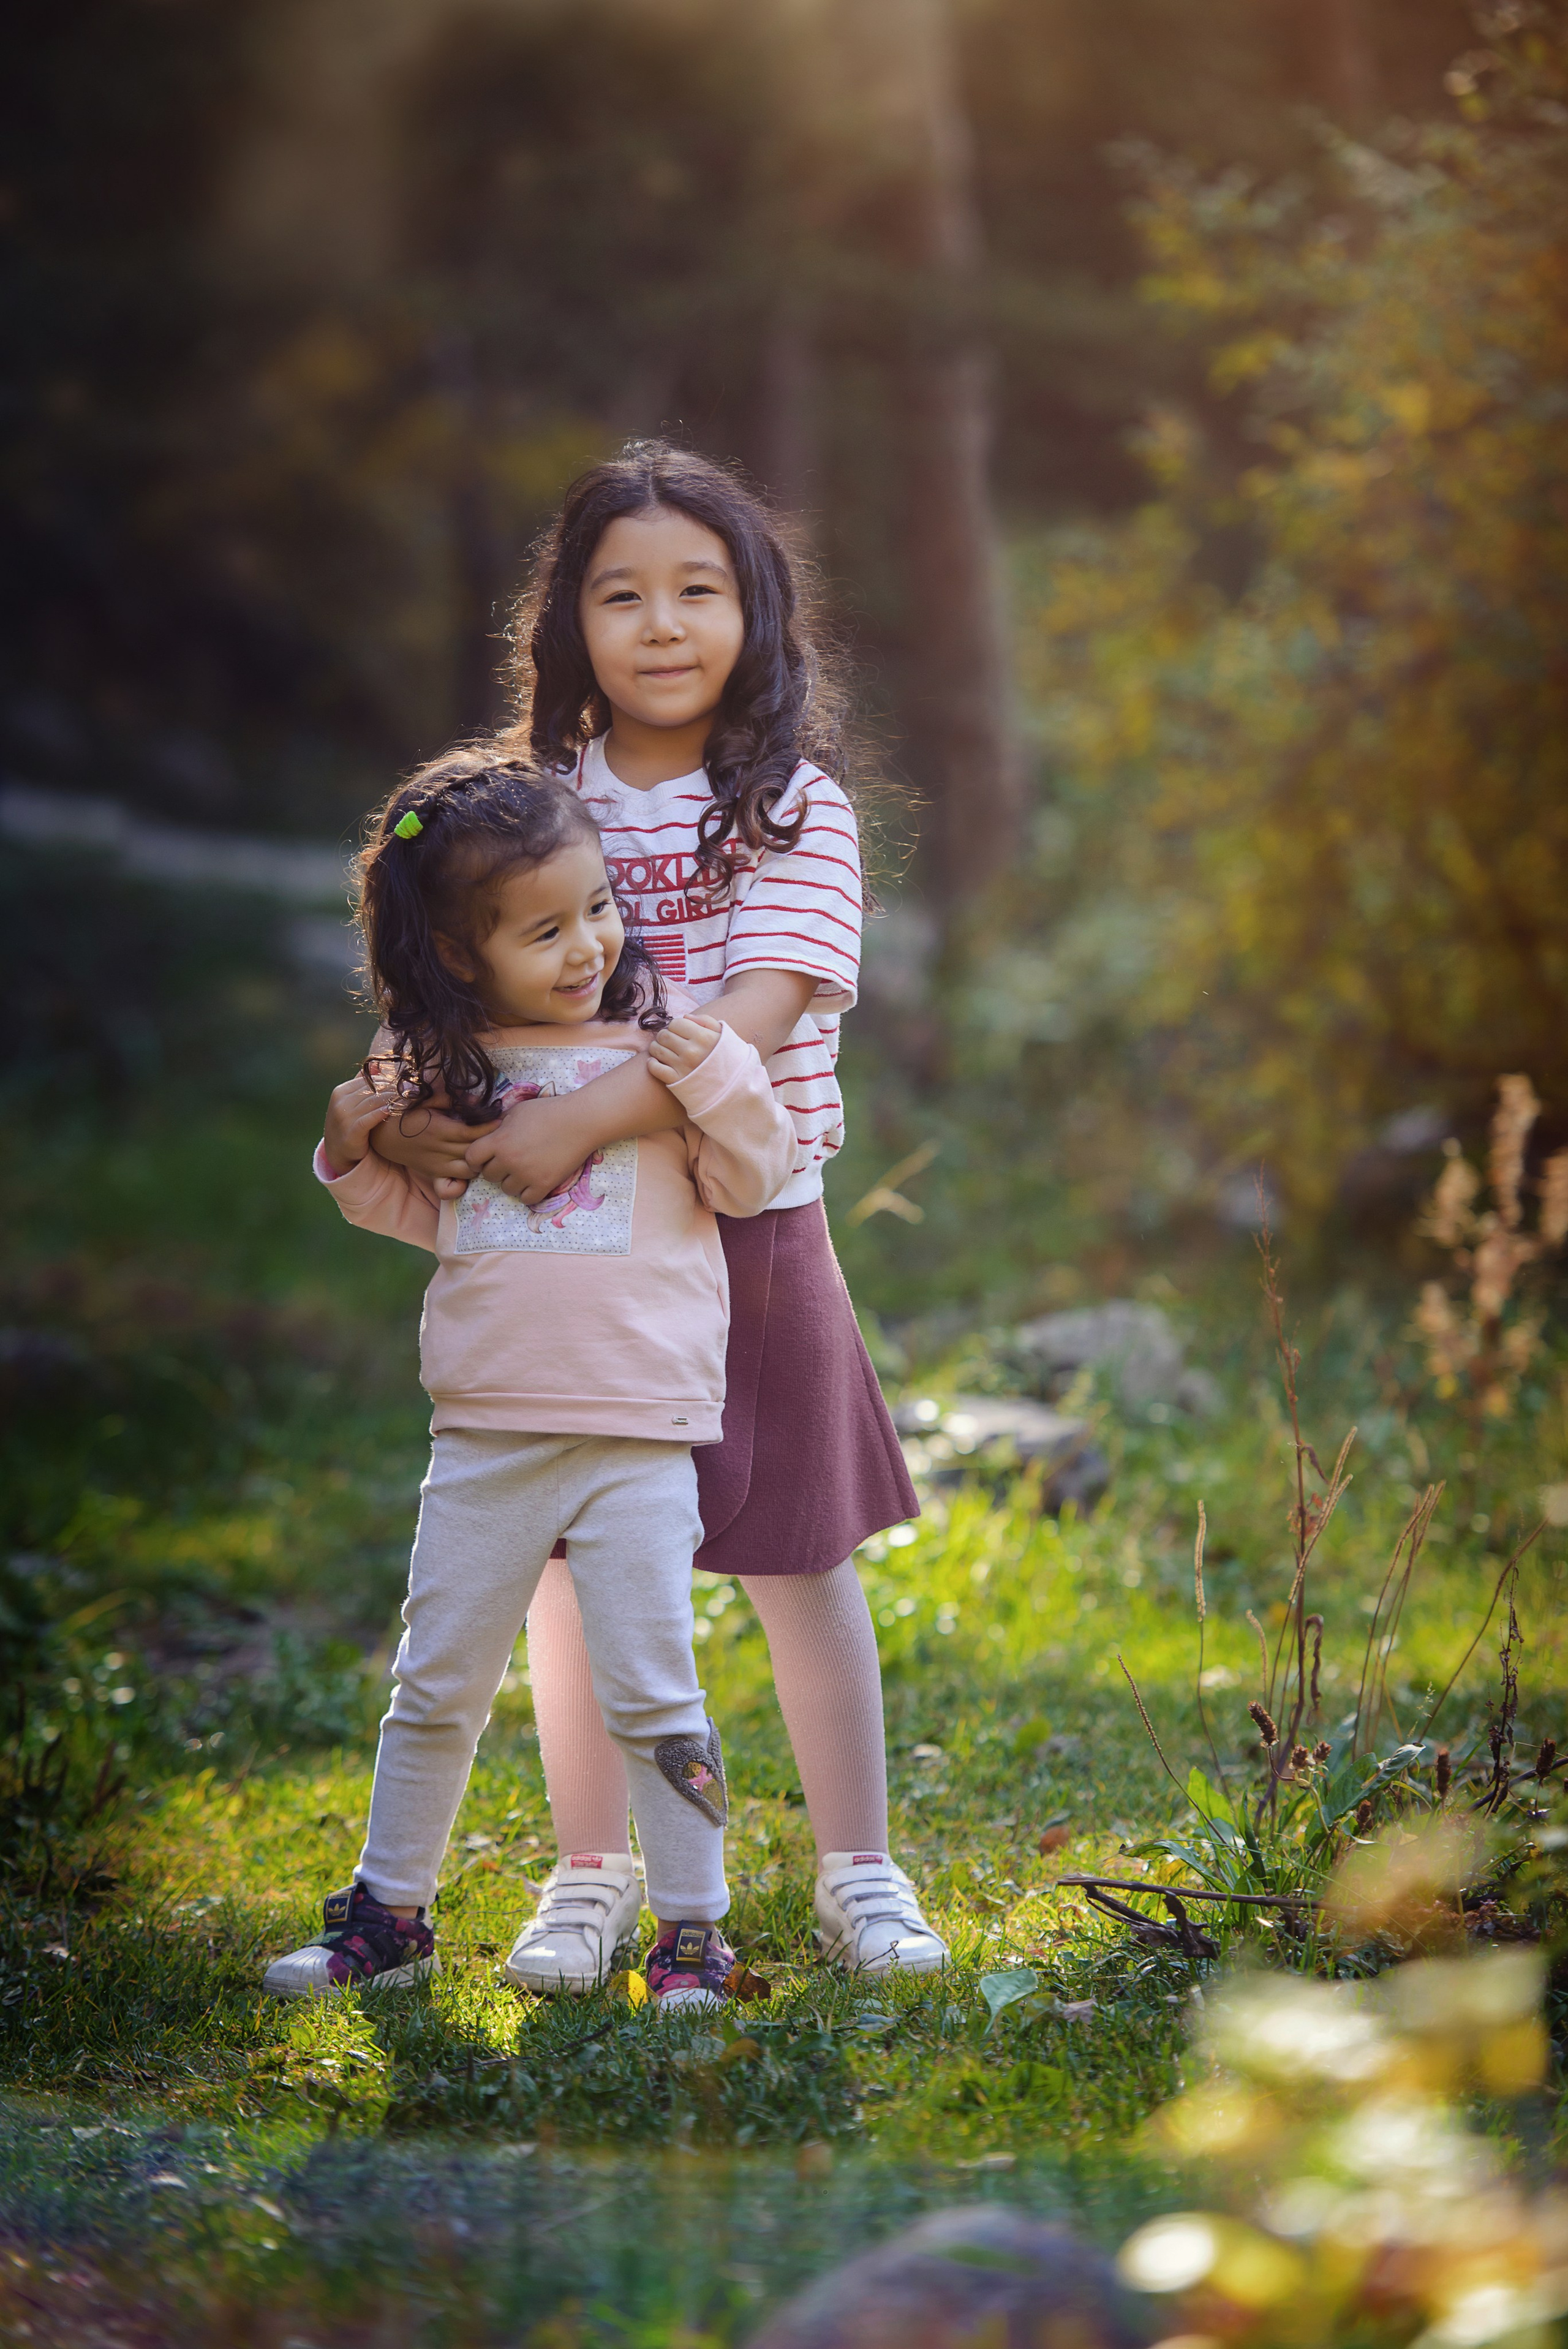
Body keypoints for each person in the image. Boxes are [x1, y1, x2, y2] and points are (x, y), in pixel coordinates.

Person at [371, 442, 949, 1988]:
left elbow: (754, 1011)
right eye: (620, 594)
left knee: (801, 1553)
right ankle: (589, 1873)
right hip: (580, 1249)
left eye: (698, 588)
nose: (662, 623)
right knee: (570, 1560)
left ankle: (859, 1872)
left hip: (749, 1223)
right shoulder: (529, 806)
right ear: (568, 625)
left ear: (755, 612)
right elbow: (437, 992)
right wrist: (425, 1114)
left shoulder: (792, 807)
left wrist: (567, 1120)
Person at [262, 761, 796, 2012]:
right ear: (457, 954)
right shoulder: (433, 1069)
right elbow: (393, 1204)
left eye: (599, 908)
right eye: (544, 929)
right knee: (435, 1677)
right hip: (486, 1437)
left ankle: (691, 1934)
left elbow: (756, 1174)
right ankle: (386, 1915)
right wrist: (355, 1128)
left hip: (638, 1438)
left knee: (652, 1691)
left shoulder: (660, 1057)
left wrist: (707, 1066)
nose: (588, 946)